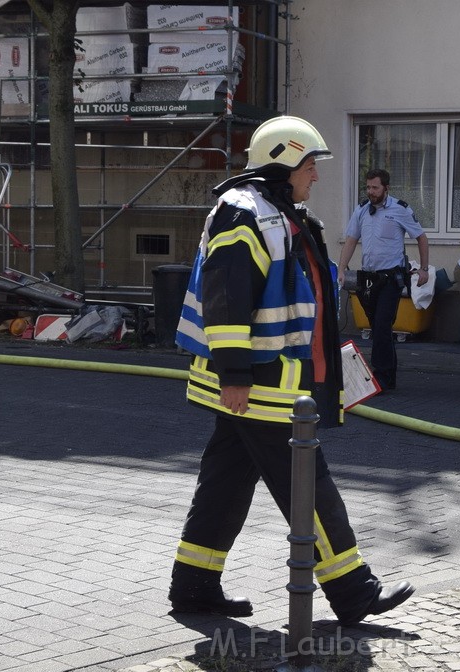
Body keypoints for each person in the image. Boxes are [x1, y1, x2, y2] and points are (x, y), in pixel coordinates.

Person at [169, 116, 413, 626]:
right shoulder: (246, 214)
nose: (316, 176)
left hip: (268, 380)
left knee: (225, 483)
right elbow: (225, 300)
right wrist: (235, 374)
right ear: (283, 162)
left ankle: (193, 587)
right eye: (309, 164)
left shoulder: (280, 212)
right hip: (258, 385)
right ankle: (353, 591)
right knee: (308, 483)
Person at [338, 169, 429, 392]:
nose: (371, 192)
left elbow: (421, 237)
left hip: (391, 278)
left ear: (386, 188)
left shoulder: (400, 209)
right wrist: (341, 268)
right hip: (370, 280)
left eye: (375, 187)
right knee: (380, 328)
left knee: (381, 326)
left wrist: (424, 269)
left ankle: (380, 377)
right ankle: (389, 375)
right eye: (368, 187)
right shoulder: (361, 210)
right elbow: (351, 240)